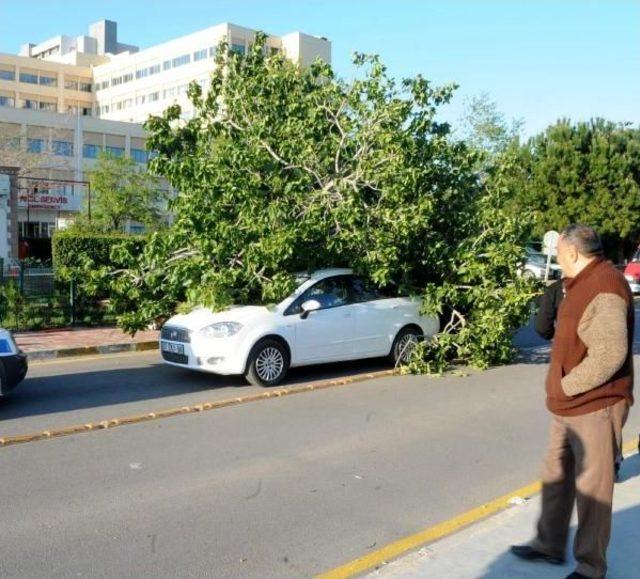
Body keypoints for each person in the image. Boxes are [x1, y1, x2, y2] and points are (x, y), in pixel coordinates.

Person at [511, 224, 634, 579]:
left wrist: (566, 385)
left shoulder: (605, 285)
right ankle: (548, 543)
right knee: (556, 473)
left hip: (597, 404)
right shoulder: (577, 285)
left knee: (592, 489)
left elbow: (610, 353)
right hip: (569, 406)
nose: (558, 258)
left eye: (561, 252)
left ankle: (591, 567)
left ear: (574, 253)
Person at [534, 277, 626, 481]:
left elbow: (542, 328)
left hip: (569, 360)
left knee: (572, 412)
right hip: (603, 359)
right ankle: (611, 463)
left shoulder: (556, 289)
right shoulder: (611, 285)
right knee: (605, 409)